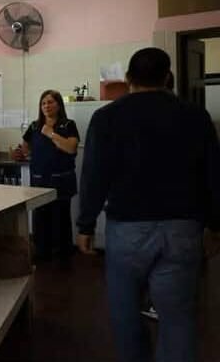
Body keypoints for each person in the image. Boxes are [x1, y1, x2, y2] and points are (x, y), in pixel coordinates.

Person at [77, 48, 220, 362]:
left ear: (129, 78)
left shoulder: (107, 117)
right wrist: (215, 225)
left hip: (128, 229)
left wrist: (85, 224)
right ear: (167, 77)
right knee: (178, 318)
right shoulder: (196, 116)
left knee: (126, 315)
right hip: (183, 228)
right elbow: (213, 175)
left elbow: (94, 175)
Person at [20, 90, 79, 261]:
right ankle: (41, 253)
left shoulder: (68, 125)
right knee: (40, 219)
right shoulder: (34, 126)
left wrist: (51, 134)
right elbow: (25, 147)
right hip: (40, 181)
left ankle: (63, 256)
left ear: (59, 105)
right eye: (43, 103)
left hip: (61, 181)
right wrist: (23, 153)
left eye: (50, 102)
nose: (46, 106)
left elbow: (71, 148)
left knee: (61, 219)